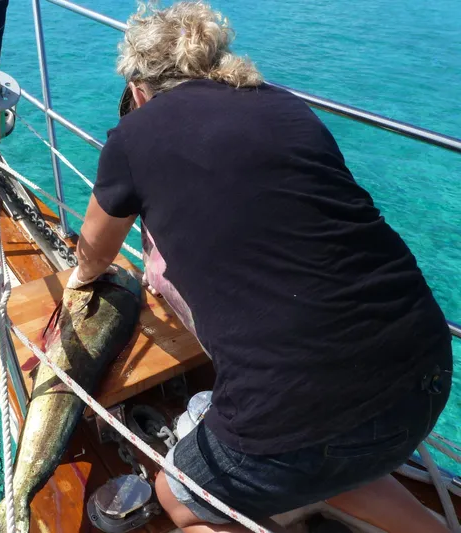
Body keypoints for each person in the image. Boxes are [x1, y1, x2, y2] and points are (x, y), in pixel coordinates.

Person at [66, 2, 454, 532]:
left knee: (175, 494)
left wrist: (80, 283)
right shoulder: (285, 105)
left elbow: (95, 250)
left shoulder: (134, 136)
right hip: (424, 377)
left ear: (137, 89)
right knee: (334, 446)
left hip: (296, 418)